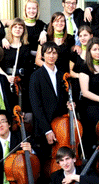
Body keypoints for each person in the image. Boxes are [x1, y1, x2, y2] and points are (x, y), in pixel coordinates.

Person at [29, 41, 71, 170]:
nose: (51, 56)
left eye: (54, 53)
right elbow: (36, 106)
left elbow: (65, 98)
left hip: (62, 127)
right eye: (48, 53)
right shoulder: (36, 76)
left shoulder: (63, 75)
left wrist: (70, 104)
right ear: (43, 55)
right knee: (46, 164)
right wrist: (47, 130)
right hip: (44, 128)